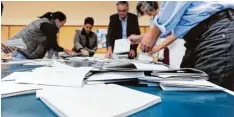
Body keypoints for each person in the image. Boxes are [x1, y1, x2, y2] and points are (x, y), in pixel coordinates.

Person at [129, 1, 234, 90]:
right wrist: (143, 37)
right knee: (184, 86)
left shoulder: (164, 15)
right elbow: (175, 29)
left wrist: (153, 34)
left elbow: (174, 7)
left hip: (215, 31)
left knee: (207, 93)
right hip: (196, 37)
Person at [9, 11, 75, 60]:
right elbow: (53, 45)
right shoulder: (48, 26)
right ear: (57, 21)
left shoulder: (44, 22)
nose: (62, 26)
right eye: (62, 24)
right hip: (21, 54)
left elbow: (48, 44)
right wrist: (66, 50)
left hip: (20, 51)